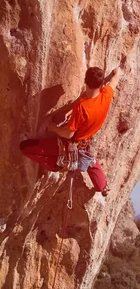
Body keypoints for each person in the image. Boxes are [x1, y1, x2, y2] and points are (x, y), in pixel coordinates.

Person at [20, 66, 122, 197]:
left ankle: (57, 166)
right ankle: (103, 187)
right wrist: (117, 72)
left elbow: (68, 133)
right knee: (90, 160)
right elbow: (114, 81)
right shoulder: (106, 95)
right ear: (101, 83)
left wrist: (52, 128)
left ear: (85, 81)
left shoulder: (82, 107)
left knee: (26, 148)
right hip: (86, 142)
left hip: (71, 144)